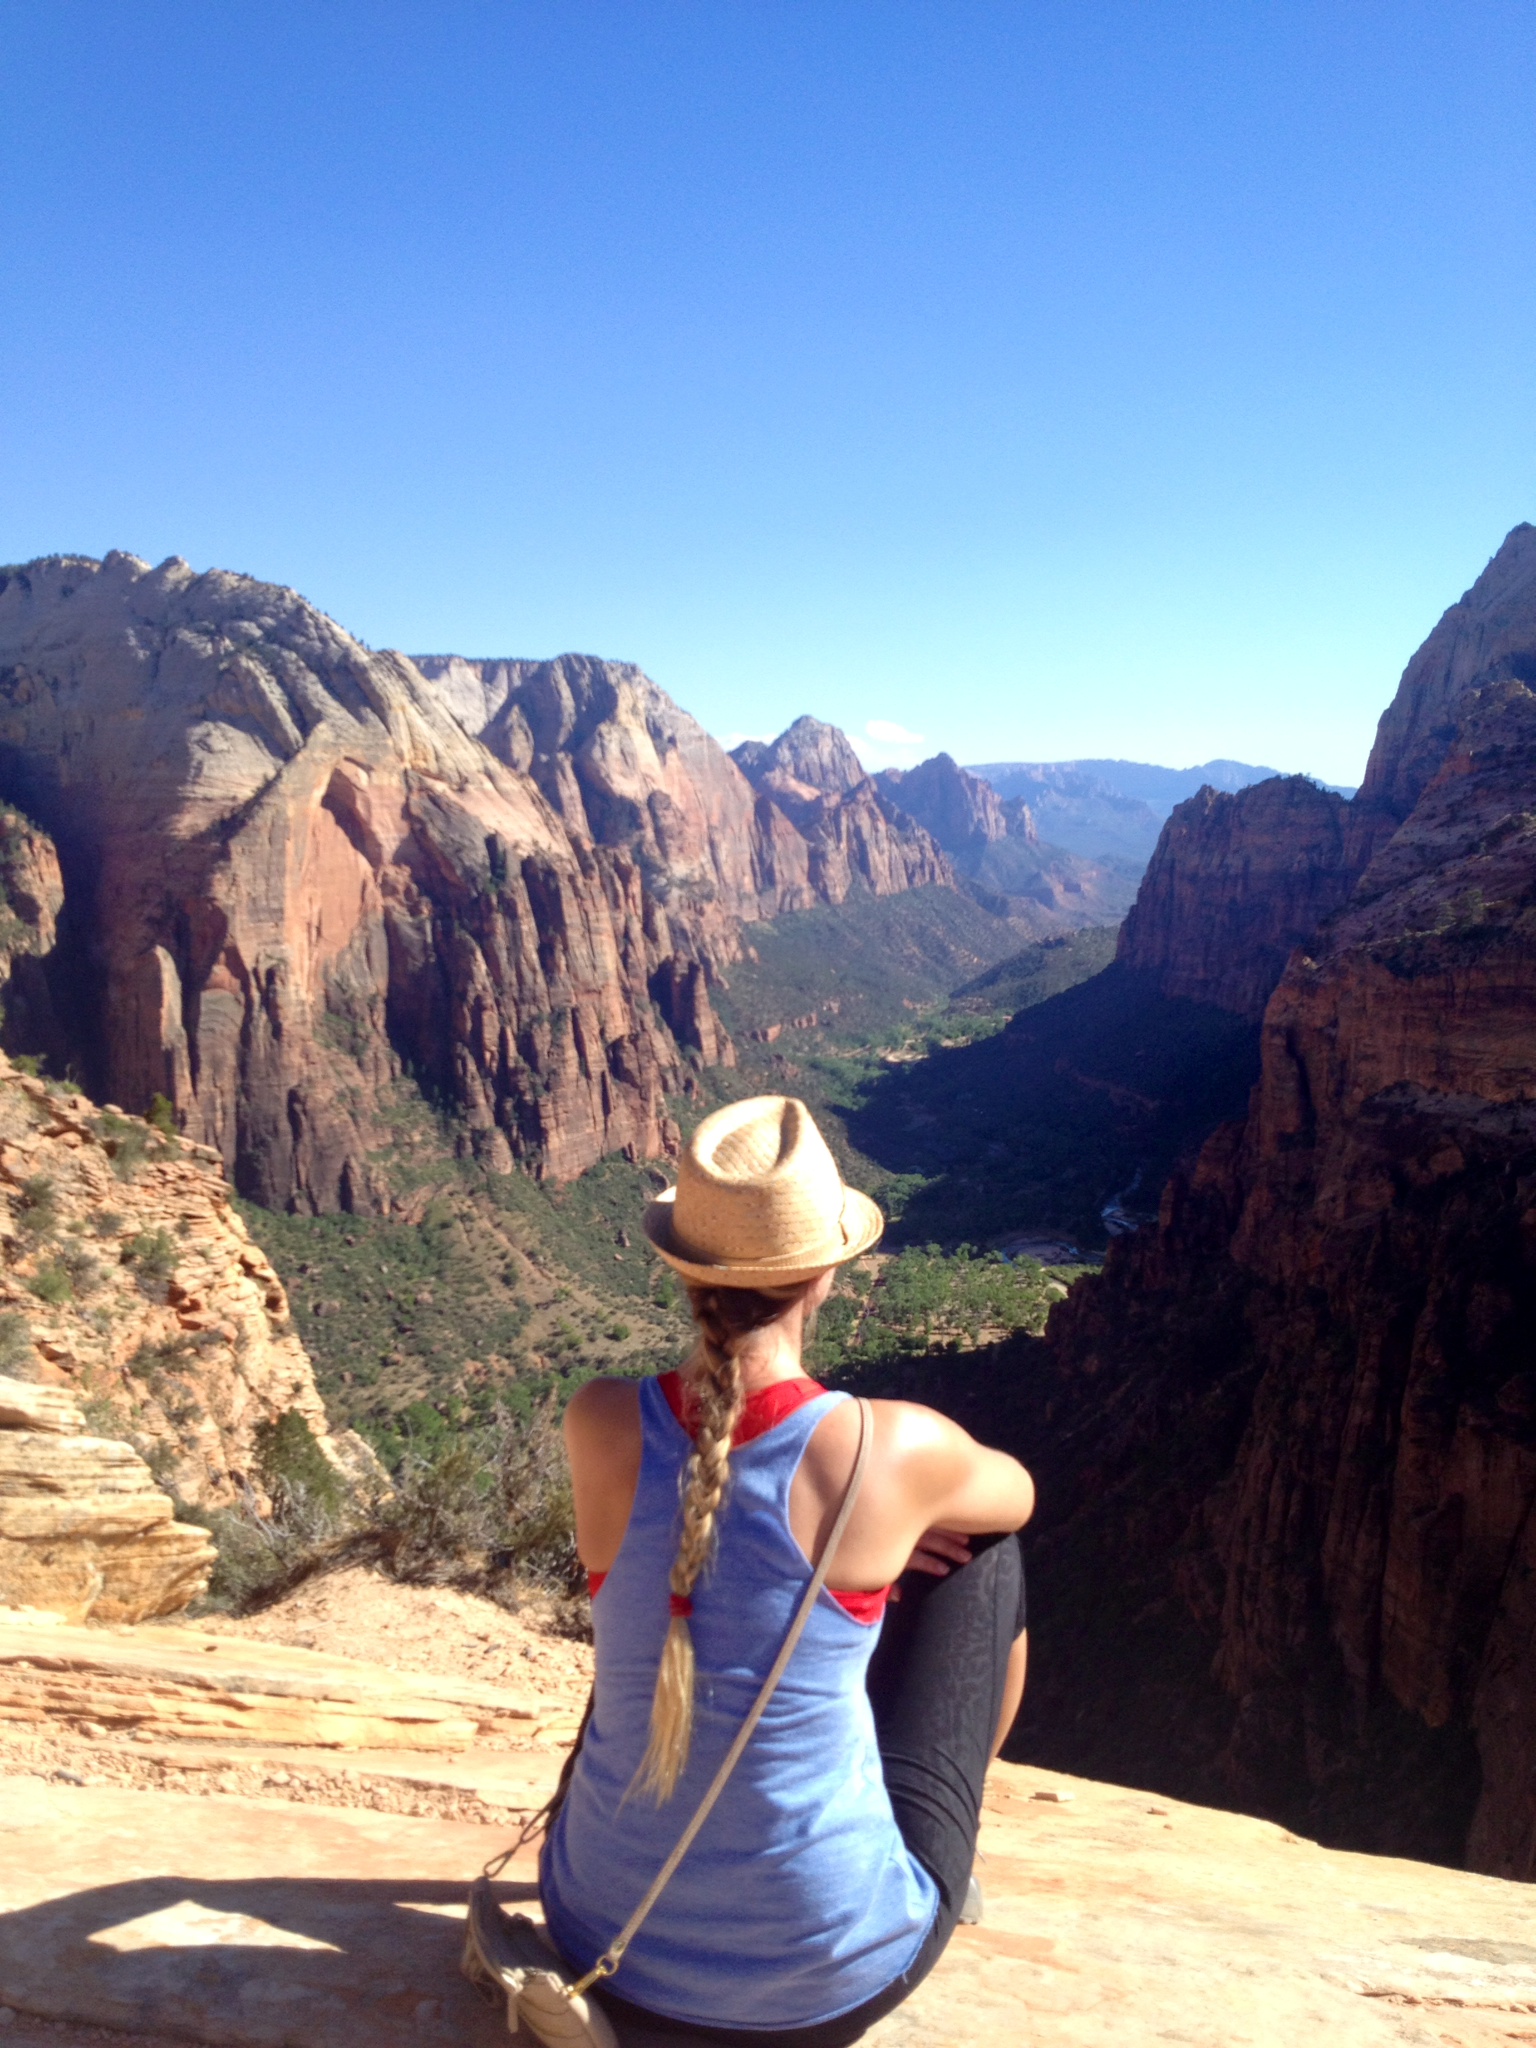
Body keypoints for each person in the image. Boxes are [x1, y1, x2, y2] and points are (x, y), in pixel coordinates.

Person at [541, 1095, 1034, 2046]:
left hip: (594, 1946)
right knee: (986, 1555)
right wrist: (890, 1537)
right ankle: (943, 1858)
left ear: (684, 1275)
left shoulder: (599, 1417)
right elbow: (1017, 1495)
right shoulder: (886, 1446)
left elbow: (696, 1556)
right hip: (823, 1987)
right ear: (823, 1276)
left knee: (662, 1622)